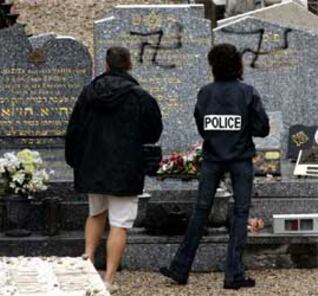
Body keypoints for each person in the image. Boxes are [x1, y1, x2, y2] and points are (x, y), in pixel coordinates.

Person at [160, 43, 270, 290]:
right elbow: (262, 127)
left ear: (213, 66)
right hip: (241, 158)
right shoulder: (247, 92)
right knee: (241, 213)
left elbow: (202, 126)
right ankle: (234, 273)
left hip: (212, 158)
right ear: (237, 65)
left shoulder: (205, 93)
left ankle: (180, 267)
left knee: (201, 211)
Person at [65, 46, 163, 291]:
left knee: (96, 214)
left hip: (93, 164)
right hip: (125, 167)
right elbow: (154, 131)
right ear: (128, 64)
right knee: (119, 223)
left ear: (106, 65)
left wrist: (74, 159)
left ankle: (87, 262)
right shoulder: (139, 96)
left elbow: (74, 129)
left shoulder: (89, 93)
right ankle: (108, 279)